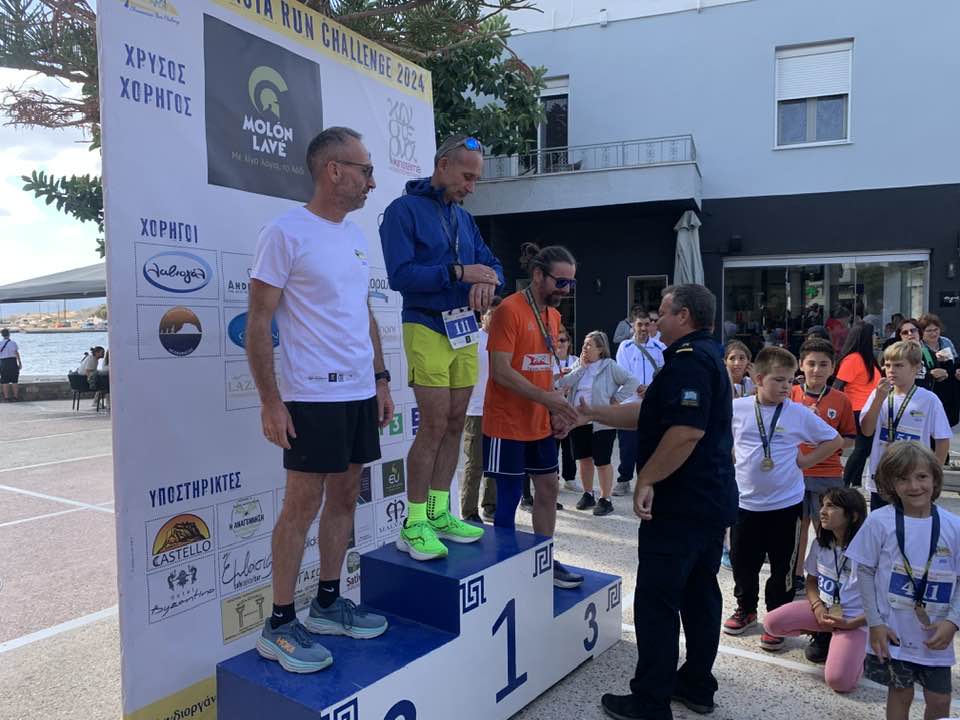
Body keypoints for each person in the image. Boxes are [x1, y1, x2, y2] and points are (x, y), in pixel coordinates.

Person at [248, 126, 392, 673]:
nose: (371, 182)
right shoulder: (285, 232)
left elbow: (363, 313)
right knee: (301, 506)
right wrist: (271, 401)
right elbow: (258, 323)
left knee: (346, 497)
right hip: (311, 395)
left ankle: (328, 603)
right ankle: (279, 623)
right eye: (365, 170)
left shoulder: (355, 236)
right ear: (334, 170)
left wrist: (381, 379)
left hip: (359, 392)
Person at [581, 284, 737, 719]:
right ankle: (696, 685)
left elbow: (686, 431)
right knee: (700, 593)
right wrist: (591, 413)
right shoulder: (703, 355)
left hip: (681, 504)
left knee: (657, 599)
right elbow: (650, 414)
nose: (655, 321)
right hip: (709, 500)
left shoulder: (689, 361)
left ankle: (650, 700)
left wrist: (646, 478)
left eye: (663, 313)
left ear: (684, 316)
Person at [380, 134, 504, 561]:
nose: (472, 186)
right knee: (432, 425)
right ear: (443, 165)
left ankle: (437, 513)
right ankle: (413, 523)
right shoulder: (402, 211)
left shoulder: (464, 219)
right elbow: (400, 275)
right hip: (425, 325)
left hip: (464, 329)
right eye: (467, 176)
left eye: (476, 179)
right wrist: (459, 272)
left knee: (455, 423)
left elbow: (494, 265)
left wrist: (489, 280)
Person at [722, 346, 843, 652]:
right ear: (758, 379)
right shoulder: (738, 409)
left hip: (785, 506)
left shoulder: (797, 412)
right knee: (742, 562)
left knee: (783, 568)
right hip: (745, 505)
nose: (786, 387)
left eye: (790, 380)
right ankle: (746, 608)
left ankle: (777, 619)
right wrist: (733, 460)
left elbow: (834, 439)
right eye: (778, 380)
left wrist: (806, 461)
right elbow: (723, 439)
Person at [482, 244, 582, 589]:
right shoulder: (508, 310)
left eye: (571, 283)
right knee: (509, 494)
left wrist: (556, 408)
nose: (566, 290)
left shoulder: (552, 316)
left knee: (549, 487)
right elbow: (500, 371)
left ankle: (543, 559)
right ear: (538, 275)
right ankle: (505, 564)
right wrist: (547, 399)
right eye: (561, 282)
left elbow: (542, 368)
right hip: (506, 423)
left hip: (538, 421)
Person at [846, 441, 960, 720]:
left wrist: (953, 621)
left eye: (921, 477)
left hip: (936, 635)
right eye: (903, 479)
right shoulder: (879, 522)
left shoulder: (953, 526)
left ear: (935, 478)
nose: (914, 486)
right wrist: (875, 623)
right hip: (893, 632)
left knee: (940, 699)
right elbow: (865, 573)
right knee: (900, 693)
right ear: (890, 483)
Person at [763, 487, 868, 691]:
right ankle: (826, 634)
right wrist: (818, 606)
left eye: (831, 506)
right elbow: (811, 581)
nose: (822, 511)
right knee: (772, 623)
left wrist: (852, 623)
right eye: (822, 505)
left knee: (839, 682)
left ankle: (863, 649)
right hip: (826, 611)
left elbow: (885, 603)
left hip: (857, 621)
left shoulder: (869, 552)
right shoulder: (821, 544)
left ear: (853, 516)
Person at [789, 338, 856, 596]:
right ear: (801, 365)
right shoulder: (791, 394)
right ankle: (796, 576)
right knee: (797, 529)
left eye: (823, 364)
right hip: (794, 472)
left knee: (827, 528)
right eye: (811, 363)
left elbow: (849, 438)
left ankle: (824, 575)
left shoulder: (841, 400)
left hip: (828, 474)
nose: (817, 370)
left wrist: (825, 440)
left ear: (833, 367)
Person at [858, 341, 952, 511]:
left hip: (913, 480)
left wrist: (934, 475)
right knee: (882, 524)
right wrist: (878, 399)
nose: (891, 370)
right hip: (882, 478)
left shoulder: (929, 399)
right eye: (888, 365)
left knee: (912, 523)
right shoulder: (879, 394)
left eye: (899, 365)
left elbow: (942, 440)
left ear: (916, 368)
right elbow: (867, 430)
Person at [559, 330, 639, 516]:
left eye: (589, 345)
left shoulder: (609, 365)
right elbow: (563, 383)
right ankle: (588, 494)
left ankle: (605, 499)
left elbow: (632, 381)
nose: (584, 347)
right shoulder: (578, 363)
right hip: (579, 420)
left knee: (602, 461)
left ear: (600, 349)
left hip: (602, 421)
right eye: (584, 344)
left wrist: (615, 400)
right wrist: (581, 368)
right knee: (584, 459)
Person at [613, 314, 664, 497]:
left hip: (652, 403)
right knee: (627, 445)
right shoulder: (625, 347)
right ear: (633, 326)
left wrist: (651, 389)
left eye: (646, 324)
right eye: (639, 324)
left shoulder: (660, 347)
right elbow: (623, 371)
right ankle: (624, 480)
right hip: (630, 402)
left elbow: (664, 373)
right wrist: (637, 387)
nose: (643, 328)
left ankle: (646, 481)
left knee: (650, 444)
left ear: (651, 326)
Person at [460, 297, 501, 523]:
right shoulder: (473, 339)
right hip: (475, 410)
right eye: (492, 315)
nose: (496, 319)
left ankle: (490, 505)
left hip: (499, 410)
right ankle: (469, 511)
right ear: (483, 316)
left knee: (495, 463)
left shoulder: (505, 340)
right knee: (475, 464)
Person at [834, 322, 881, 487]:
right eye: (874, 334)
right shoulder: (853, 359)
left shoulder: (868, 360)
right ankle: (845, 483)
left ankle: (855, 482)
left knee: (865, 448)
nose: (876, 337)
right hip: (856, 409)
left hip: (869, 409)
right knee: (863, 448)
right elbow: (838, 386)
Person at [918, 313, 960, 427]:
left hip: (950, 391)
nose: (933, 333)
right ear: (921, 332)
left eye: (936, 329)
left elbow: (956, 362)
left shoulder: (946, 342)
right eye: (929, 331)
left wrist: (957, 370)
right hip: (932, 392)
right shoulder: (919, 347)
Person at [553, 327, 579, 489]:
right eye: (557, 340)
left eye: (563, 340)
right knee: (553, 446)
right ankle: (553, 477)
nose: (560, 344)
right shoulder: (549, 361)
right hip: (554, 408)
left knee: (570, 446)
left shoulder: (576, 361)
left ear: (569, 343)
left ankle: (570, 478)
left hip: (571, 408)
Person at [0, 328, 22, 402]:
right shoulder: (13, 343)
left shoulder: (0, 343)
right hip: (13, 362)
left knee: (5, 381)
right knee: (14, 381)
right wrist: (20, 363)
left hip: (3, 362)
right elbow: (16, 353)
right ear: (9, 334)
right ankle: (15, 397)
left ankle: (6, 398)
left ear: (2, 335)